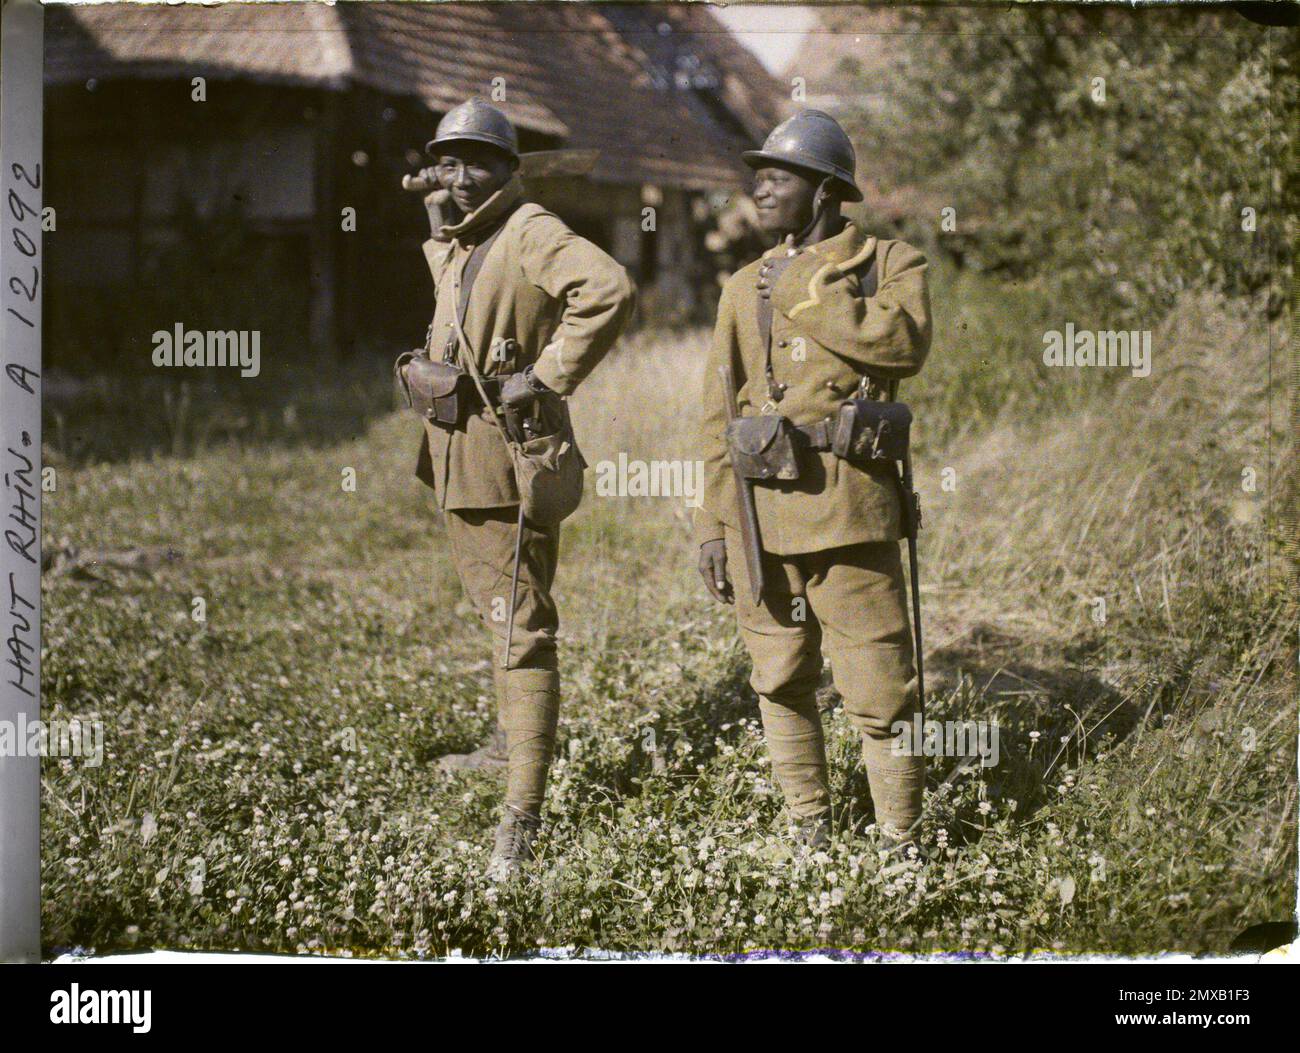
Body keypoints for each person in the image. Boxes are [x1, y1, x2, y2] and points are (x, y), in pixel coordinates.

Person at [694, 109, 932, 850]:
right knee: (778, 676)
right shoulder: (740, 287)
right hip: (757, 517)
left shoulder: (888, 263)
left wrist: (813, 287)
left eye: (777, 178)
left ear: (825, 190)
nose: (759, 193)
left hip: (850, 508)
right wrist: (711, 523)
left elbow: (901, 345)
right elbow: (715, 412)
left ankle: (899, 841)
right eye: (756, 178)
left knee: (879, 683)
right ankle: (811, 831)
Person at [410, 98, 635, 877]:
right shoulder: (473, 237)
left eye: (477, 161)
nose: (461, 175)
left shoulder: (529, 227)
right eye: (448, 160)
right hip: (468, 459)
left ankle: (521, 818)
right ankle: (513, 746)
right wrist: (444, 225)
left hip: (504, 458)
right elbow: (462, 302)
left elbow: (607, 289)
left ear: (509, 168)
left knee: (520, 625)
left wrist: (544, 375)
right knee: (505, 608)